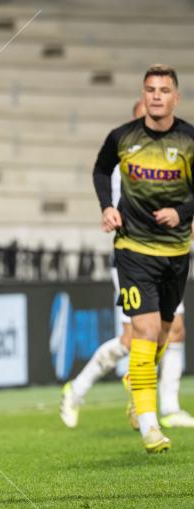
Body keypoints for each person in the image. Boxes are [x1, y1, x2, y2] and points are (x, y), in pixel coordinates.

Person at [60, 101, 194, 430]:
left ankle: (168, 406)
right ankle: (78, 389)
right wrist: (109, 210)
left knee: (174, 329)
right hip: (134, 258)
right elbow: (106, 182)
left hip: (168, 254)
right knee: (133, 338)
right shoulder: (126, 160)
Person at [91, 64, 194, 453]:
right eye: (150, 89)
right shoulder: (122, 137)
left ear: (175, 97)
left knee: (165, 332)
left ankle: (137, 385)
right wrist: (107, 207)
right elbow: (101, 170)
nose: (156, 96)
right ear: (143, 94)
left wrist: (182, 213)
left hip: (176, 252)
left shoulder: (189, 139)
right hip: (133, 250)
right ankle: (150, 426)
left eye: (164, 90)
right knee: (145, 331)